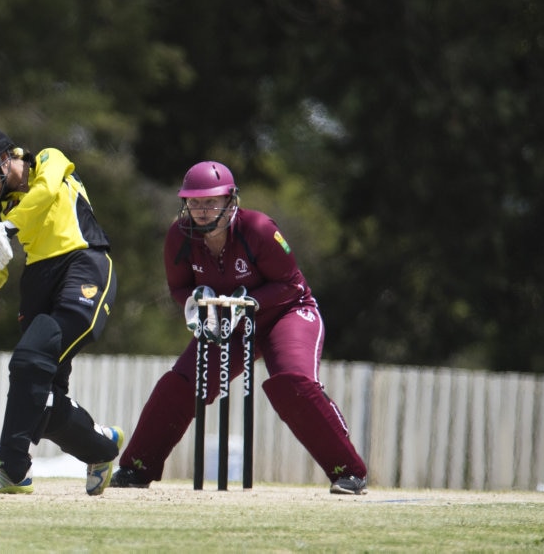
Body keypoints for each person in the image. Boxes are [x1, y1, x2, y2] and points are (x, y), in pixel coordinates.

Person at [110, 160, 368, 495]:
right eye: (194, 202)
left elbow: (290, 285)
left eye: (211, 202)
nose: (202, 211)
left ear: (231, 201)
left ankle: (348, 472)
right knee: (180, 385)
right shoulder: (179, 237)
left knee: (293, 384)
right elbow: (178, 289)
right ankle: (136, 468)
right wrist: (199, 301)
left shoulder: (259, 228)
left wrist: (246, 301)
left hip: (285, 313)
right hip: (227, 321)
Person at [0, 125, 123, 495]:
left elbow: (44, 194)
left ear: (3, 158)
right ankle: (103, 447)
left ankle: (12, 471)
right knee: (42, 403)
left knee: (29, 363)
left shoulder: (47, 159)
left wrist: (8, 226)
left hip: (83, 265)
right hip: (38, 284)